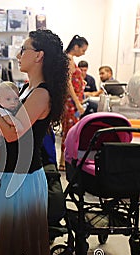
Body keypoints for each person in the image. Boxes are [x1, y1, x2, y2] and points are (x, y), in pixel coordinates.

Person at [0, 29, 69, 255]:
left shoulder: (41, 94)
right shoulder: (27, 89)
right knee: (7, 245)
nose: (19, 55)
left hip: (25, 179)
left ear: (39, 55)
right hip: (13, 175)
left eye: (24, 50)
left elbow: (12, 133)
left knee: (21, 248)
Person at [59, 35, 88, 171]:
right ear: (76, 47)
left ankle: (65, 160)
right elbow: (68, 83)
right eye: (83, 50)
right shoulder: (69, 60)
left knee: (70, 130)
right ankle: (64, 161)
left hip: (72, 102)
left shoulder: (69, 60)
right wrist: (77, 104)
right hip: (71, 104)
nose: (83, 53)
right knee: (69, 131)